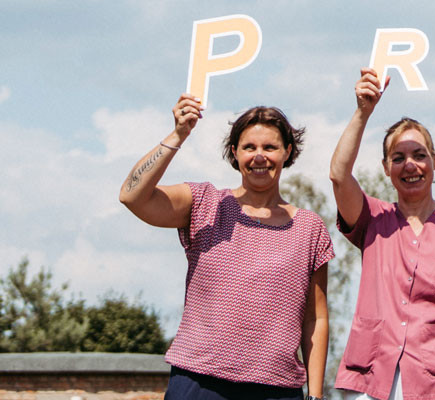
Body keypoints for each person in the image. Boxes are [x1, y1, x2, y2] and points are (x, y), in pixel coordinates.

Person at [117, 94, 332, 399]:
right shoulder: (205, 203)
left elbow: (316, 318)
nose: (260, 156)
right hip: (198, 381)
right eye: (249, 147)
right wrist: (179, 134)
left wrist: (316, 394)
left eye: (270, 147)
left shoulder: (309, 228)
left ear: (287, 151)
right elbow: (131, 195)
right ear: (235, 152)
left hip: (276, 388)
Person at [328, 69, 435, 400]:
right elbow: (338, 175)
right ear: (385, 167)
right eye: (399, 158)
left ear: (434, 162)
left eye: (420, 155)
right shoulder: (373, 219)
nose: (410, 165)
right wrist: (364, 111)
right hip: (373, 378)